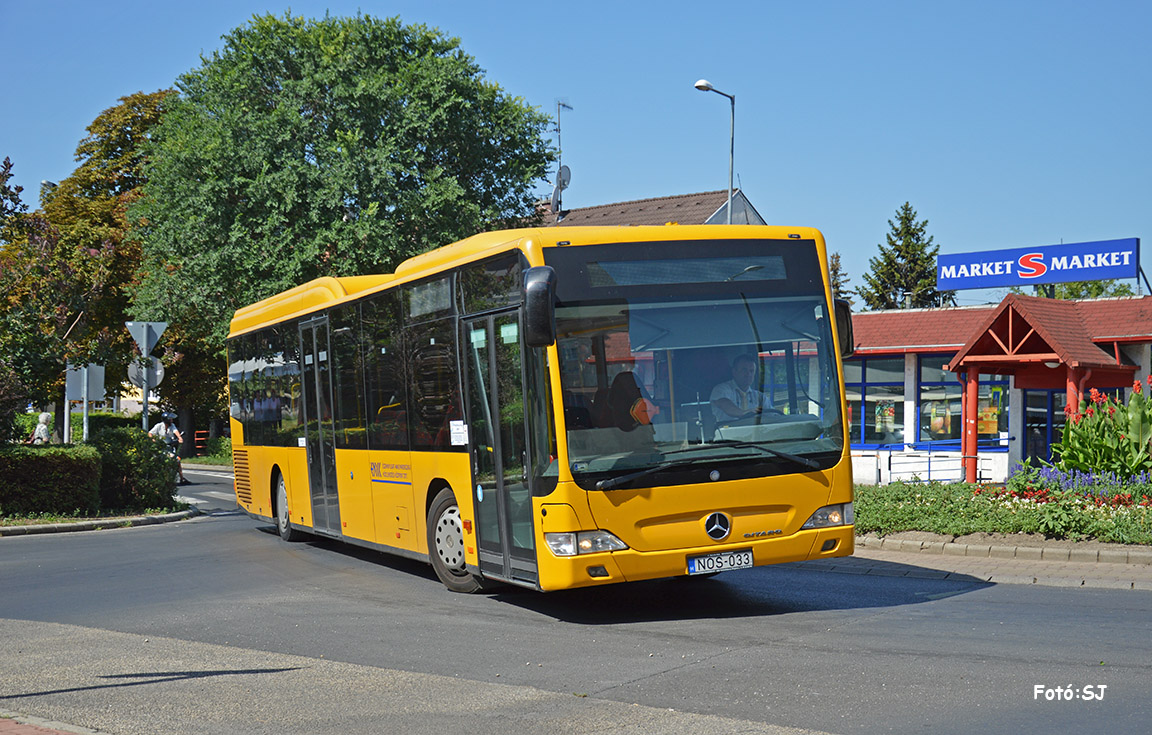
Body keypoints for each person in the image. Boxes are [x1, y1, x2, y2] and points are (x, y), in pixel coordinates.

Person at [710, 354, 776, 424]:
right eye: (744, 370)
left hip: (756, 433)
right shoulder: (721, 389)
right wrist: (746, 413)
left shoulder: (760, 397)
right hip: (727, 433)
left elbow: (773, 416)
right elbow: (725, 405)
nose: (748, 374)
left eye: (751, 371)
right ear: (734, 371)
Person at [150, 412, 188, 485]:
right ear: (166, 420)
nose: (172, 420)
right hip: (160, 448)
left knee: (177, 460)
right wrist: (153, 440)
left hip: (169, 447)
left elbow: (175, 431)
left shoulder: (172, 425)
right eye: (170, 419)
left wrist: (179, 437)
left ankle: (182, 478)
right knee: (158, 461)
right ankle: (156, 477)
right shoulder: (159, 426)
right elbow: (150, 433)